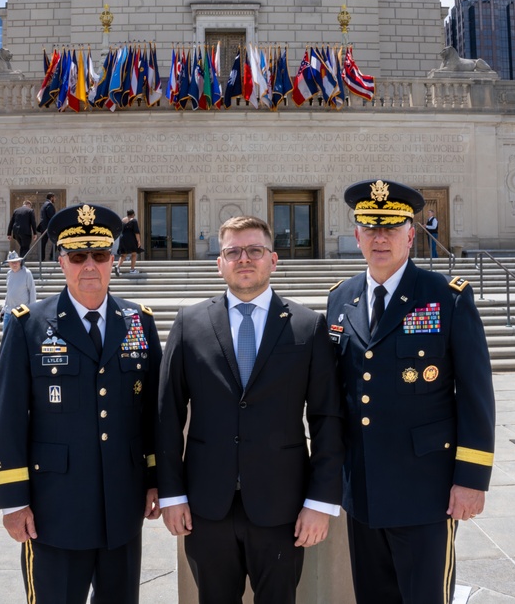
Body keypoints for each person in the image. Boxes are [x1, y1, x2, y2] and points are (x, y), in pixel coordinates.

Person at [157, 216, 343, 604]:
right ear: (219, 262)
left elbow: (326, 418)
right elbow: (167, 414)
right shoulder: (189, 324)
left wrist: (320, 502)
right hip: (206, 507)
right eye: (233, 252)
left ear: (272, 260)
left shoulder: (307, 327)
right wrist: (172, 494)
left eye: (255, 250)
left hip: (283, 508)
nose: (245, 259)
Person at [326, 179, 495, 604]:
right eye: (371, 228)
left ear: (410, 234)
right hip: (362, 488)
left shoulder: (445, 298)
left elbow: (476, 395)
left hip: (426, 490)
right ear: (358, 235)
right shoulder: (340, 299)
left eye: (391, 228)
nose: (380, 238)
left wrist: (472, 479)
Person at [0, 203, 162, 604]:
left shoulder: (139, 322)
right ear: (62, 261)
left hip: (122, 507)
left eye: (100, 255)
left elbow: (153, 413)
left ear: (113, 260)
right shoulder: (28, 324)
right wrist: (14, 500)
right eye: (78, 256)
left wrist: (156, 479)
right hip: (54, 511)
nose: (90, 266)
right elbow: (9, 418)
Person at [0, 251, 35, 330]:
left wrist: (32, 309)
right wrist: (3, 308)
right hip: (8, 311)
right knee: (6, 336)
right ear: (9, 264)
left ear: (20, 262)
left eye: (16, 262)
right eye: (12, 263)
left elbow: (32, 291)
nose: (14, 264)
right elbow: (9, 292)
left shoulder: (27, 273)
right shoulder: (9, 274)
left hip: (22, 311)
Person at [115, 209, 142, 275]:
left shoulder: (122, 220)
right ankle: (132, 269)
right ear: (133, 214)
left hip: (123, 238)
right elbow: (136, 232)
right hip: (131, 238)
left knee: (123, 254)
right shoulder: (134, 220)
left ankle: (117, 266)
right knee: (134, 254)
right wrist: (139, 241)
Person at [38, 193, 57, 261]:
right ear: (51, 197)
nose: (55, 199)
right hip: (49, 227)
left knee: (43, 243)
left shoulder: (44, 205)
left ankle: (42, 258)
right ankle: (51, 256)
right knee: (57, 241)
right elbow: (51, 216)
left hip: (44, 227)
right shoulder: (49, 204)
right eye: (54, 198)